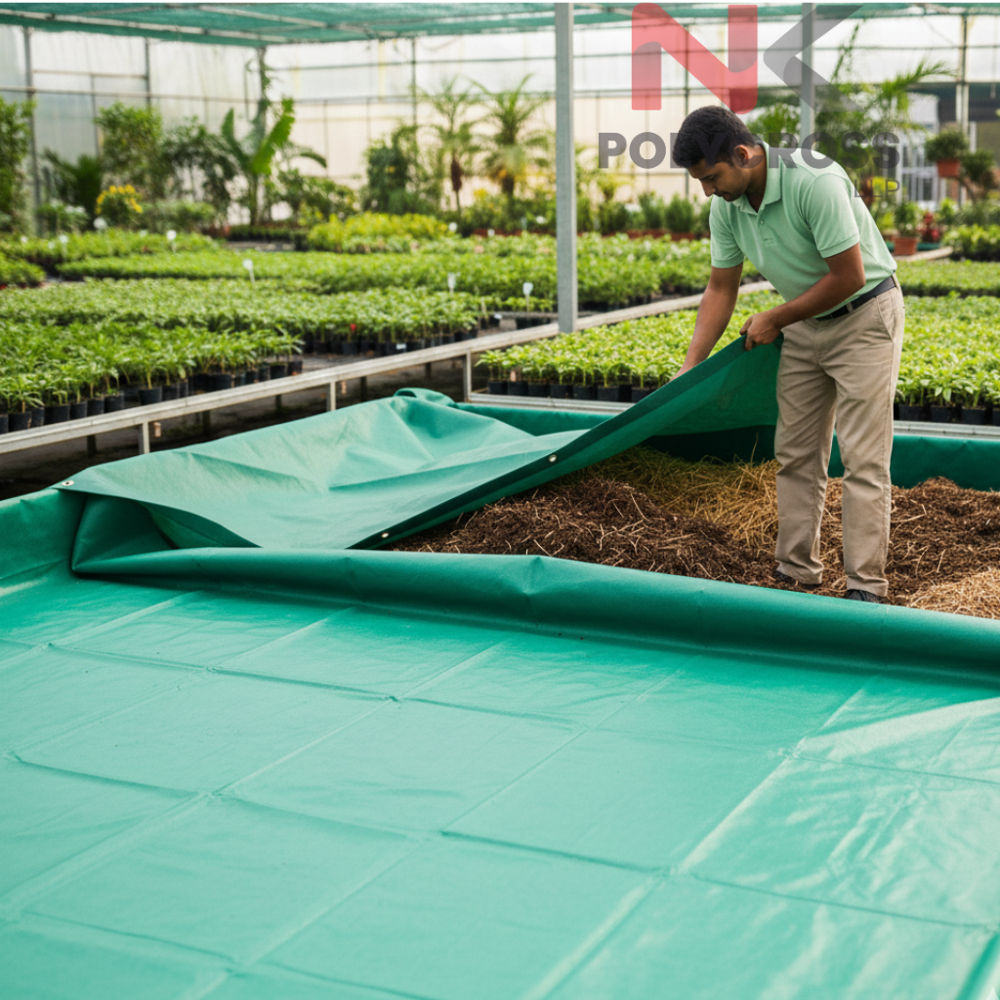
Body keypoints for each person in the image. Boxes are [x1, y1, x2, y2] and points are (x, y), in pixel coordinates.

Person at [672, 106, 905, 604]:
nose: (708, 192)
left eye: (712, 178)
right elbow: (720, 286)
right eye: (701, 182)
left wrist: (776, 318)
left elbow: (849, 276)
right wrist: (690, 368)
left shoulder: (813, 180)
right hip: (803, 325)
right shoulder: (726, 208)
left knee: (863, 459)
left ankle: (865, 586)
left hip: (864, 317)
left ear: (743, 153)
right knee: (796, 454)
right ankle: (795, 570)